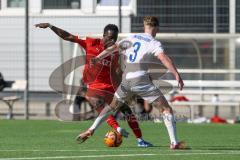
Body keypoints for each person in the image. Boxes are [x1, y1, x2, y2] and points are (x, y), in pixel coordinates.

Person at [35, 23, 152, 147]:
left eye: (115, 38)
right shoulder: (91, 42)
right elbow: (68, 36)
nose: (112, 41)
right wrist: (50, 26)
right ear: (103, 36)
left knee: (128, 111)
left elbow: (118, 71)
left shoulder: (116, 51)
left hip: (111, 86)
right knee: (100, 107)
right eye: (110, 37)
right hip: (94, 86)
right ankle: (117, 128)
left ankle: (140, 140)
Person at [78, 16, 186, 149]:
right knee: (166, 109)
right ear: (157, 28)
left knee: (111, 107)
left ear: (144, 27)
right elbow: (164, 58)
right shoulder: (154, 43)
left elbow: (113, 48)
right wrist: (176, 74)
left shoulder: (132, 37)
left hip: (126, 80)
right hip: (140, 80)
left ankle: (91, 129)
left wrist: (98, 57)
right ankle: (174, 143)